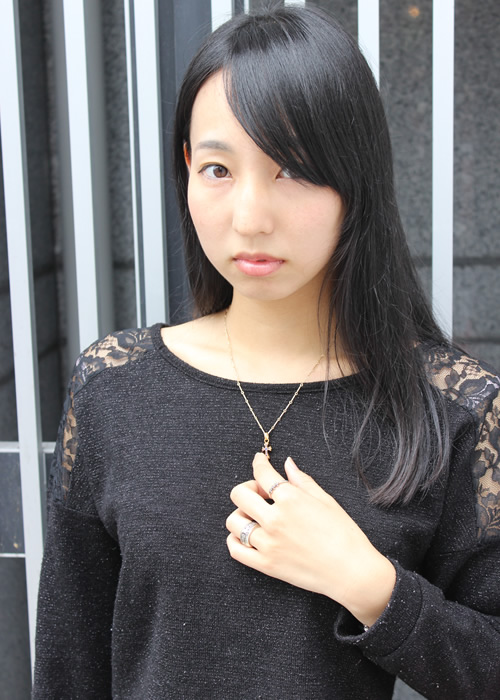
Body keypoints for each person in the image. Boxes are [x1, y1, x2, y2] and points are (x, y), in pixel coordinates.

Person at [33, 6, 500, 699]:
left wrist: (368, 584)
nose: (250, 217)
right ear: (186, 169)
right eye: (218, 169)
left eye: (293, 170)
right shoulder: (114, 388)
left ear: (356, 180)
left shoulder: (451, 406)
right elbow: (68, 667)